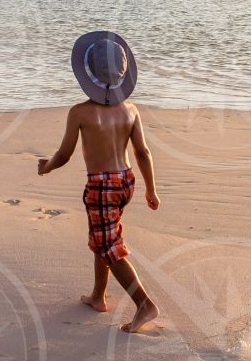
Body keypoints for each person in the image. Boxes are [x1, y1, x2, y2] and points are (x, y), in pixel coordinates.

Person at [38, 30, 161, 333]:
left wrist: (47, 167)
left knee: (110, 246)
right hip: (126, 181)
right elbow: (142, 152)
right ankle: (98, 296)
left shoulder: (79, 113)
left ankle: (144, 303)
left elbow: (65, 154)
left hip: (102, 186)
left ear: (88, 74)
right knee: (103, 237)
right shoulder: (131, 111)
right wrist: (150, 188)